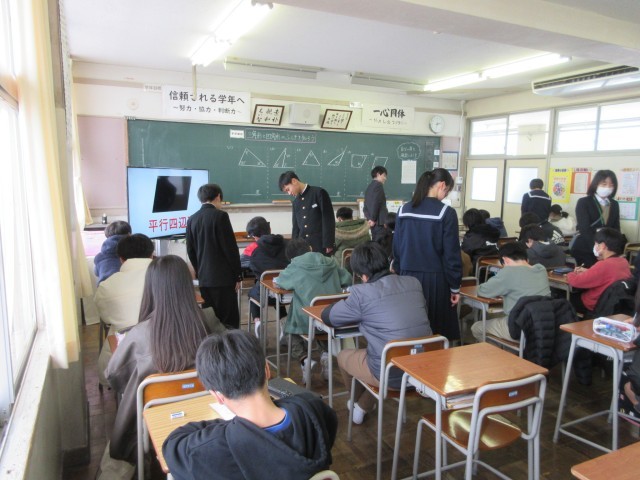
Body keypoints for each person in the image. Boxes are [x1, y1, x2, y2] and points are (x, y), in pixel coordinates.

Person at [162, 330, 338, 480]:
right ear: (267, 370)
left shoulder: (212, 447)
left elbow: (172, 446)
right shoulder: (312, 408)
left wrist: (227, 425)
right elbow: (330, 426)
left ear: (217, 396)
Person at [99, 255, 209, 479]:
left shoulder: (140, 334)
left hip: (152, 424)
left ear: (151, 288)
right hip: (202, 415)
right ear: (187, 286)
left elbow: (113, 377)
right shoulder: (206, 323)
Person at [321, 242, 431, 424]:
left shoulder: (361, 294)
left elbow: (329, 317)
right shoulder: (413, 282)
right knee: (380, 353)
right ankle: (363, 405)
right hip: (423, 368)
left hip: (391, 373)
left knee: (343, 356)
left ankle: (358, 404)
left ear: (363, 276)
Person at [393, 168, 462, 341]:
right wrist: (455, 286)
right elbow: (451, 255)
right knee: (436, 331)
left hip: (407, 278)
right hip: (436, 281)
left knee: (412, 327)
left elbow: (397, 249)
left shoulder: (404, 210)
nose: (445, 196)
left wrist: (401, 273)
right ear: (442, 185)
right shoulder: (446, 213)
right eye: (447, 191)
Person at [275, 239, 352, 384]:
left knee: (289, 328)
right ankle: (326, 354)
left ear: (291, 257)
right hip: (331, 317)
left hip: (306, 320)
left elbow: (281, 282)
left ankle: (304, 360)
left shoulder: (295, 265)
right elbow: (347, 279)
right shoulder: (330, 261)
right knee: (320, 324)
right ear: (309, 248)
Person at [94, 233, 154, 385]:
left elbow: (106, 319)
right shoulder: (168, 278)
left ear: (121, 259)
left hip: (124, 361)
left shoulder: (107, 286)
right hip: (170, 355)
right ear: (151, 254)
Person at [187, 183, 242, 329]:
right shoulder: (221, 216)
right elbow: (230, 248)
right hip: (223, 279)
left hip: (205, 279)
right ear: (218, 196)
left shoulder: (192, 219)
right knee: (228, 319)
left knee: (210, 318)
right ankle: (230, 343)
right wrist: (237, 275)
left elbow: (190, 250)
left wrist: (199, 271)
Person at [470, 242, 551, 342]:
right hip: (544, 326)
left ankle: (498, 351)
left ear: (505, 260)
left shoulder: (508, 272)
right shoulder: (541, 269)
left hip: (519, 329)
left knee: (476, 327)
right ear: (526, 258)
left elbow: (482, 291)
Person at [566, 227, 631, 315]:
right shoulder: (623, 262)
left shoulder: (603, 265)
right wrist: (588, 271)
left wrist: (570, 273)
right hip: (613, 305)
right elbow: (606, 276)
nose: (595, 246)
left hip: (593, 304)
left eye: (596, 244)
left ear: (603, 246)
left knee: (563, 297)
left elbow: (576, 281)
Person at [245, 216, 289, 337]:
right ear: (270, 229)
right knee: (276, 286)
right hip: (289, 293)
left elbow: (247, 265)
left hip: (266, 295)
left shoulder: (254, 249)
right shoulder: (287, 244)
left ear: (254, 236)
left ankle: (258, 321)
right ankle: (284, 322)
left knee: (253, 292)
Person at [279, 171, 335, 255]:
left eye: (288, 189)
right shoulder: (296, 202)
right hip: (303, 247)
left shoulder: (318, 193)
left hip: (319, 244)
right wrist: (293, 247)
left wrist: (328, 243)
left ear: (294, 181)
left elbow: (328, 219)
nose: (289, 193)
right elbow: (296, 227)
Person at [572, 170, 620, 267]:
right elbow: (584, 229)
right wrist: (597, 250)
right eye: (604, 184)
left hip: (607, 251)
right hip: (586, 247)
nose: (608, 187)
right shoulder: (584, 202)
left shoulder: (614, 204)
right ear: (595, 184)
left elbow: (616, 229)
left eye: (611, 185)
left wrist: (610, 251)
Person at [94, 220, 132, 284]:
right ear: (129, 234)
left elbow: (96, 272)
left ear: (107, 236)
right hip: (127, 287)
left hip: (103, 288)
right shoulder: (133, 252)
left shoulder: (100, 257)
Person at [363, 165, 388, 241]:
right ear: (378, 174)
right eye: (384, 175)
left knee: (375, 244)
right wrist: (373, 219)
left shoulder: (369, 187)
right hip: (379, 223)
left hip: (372, 223)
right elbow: (376, 203)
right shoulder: (378, 185)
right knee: (381, 245)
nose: (385, 178)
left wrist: (370, 219)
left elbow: (365, 206)